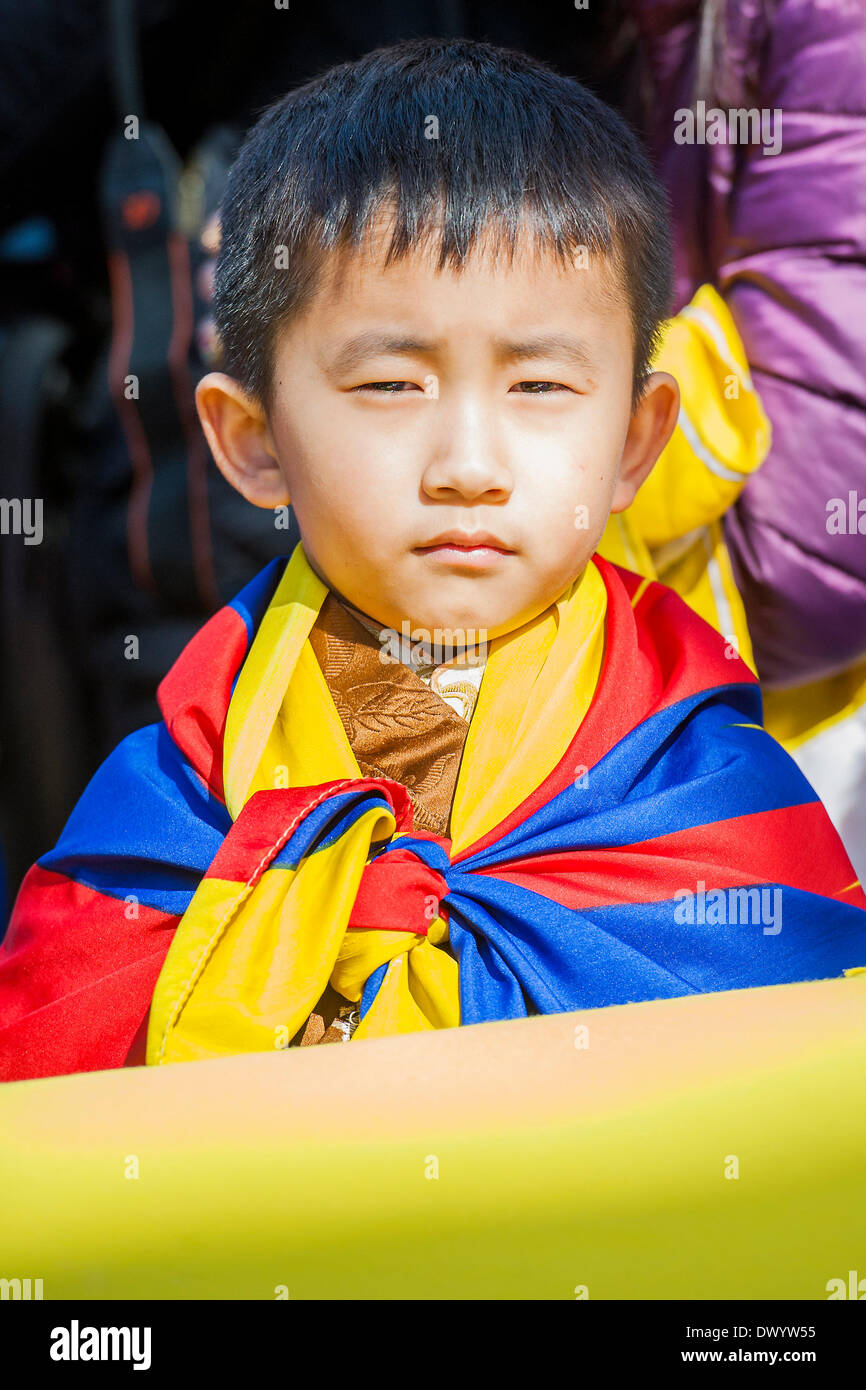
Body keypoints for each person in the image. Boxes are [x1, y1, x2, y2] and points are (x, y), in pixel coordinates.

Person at [1, 37, 864, 1082]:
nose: (466, 465)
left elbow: (801, 1129)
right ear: (251, 440)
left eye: (538, 386)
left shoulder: (704, 799)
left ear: (637, 440)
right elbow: (61, 1124)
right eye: (389, 387)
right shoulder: (173, 807)